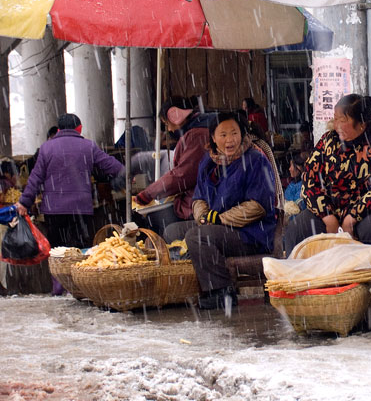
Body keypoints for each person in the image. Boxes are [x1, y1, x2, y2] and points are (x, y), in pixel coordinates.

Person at [164, 112, 277, 309]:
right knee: (171, 231)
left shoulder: (255, 161)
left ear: (242, 134)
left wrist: (221, 219)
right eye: (223, 135)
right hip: (217, 227)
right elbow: (199, 198)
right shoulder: (208, 162)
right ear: (213, 138)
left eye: (234, 133)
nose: (229, 140)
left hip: (250, 233)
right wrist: (203, 218)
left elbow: (257, 206)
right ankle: (187, 287)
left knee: (197, 237)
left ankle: (221, 291)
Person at [283, 94, 371, 266]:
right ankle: (300, 282)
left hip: (367, 212)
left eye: (343, 120)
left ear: (362, 124)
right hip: (329, 210)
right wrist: (327, 216)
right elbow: (310, 181)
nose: (337, 126)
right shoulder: (328, 142)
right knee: (298, 228)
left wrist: (352, 216)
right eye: (335, 120)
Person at [15, 114, 125, 249]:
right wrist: (126, 173)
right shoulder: (88, 146)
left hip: (54, 210)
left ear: (59, 129)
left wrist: (24, 202)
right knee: (80, 251)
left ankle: (59, 269)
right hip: (80, 209)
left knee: (57, 252)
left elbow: (35, 178)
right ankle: (77, 269)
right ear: (79, 128)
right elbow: (111, 165)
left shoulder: (46, 148)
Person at [133, 97, 212, 234]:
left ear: (176, 116)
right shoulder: (198, 129)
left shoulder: (197, 134)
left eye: (167, 123)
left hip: (202, 201)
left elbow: (183, 175)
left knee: (157, 223)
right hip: (199, 197)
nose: (169, 129)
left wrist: (148, 193)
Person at [283, 153, 306, 219]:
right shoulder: (293, 184)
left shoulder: (303, 187)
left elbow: (298, 209)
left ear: (299, 168)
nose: (289, 169)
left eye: (291, 166)